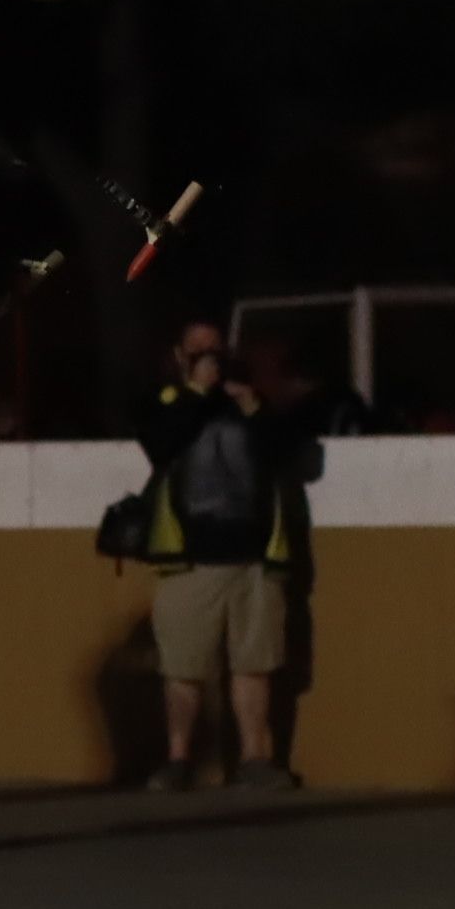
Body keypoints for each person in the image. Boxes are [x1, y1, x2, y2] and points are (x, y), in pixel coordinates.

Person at [136, 321, 318, 792]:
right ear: (179, 357)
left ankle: (257, 759)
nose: (208, 359)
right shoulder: (170, 403)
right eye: (197, 352)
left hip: (255, 560)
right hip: (188, 561)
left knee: (253, 664)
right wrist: (198, 391)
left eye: (214, 351)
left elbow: (291, 454)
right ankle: (178, 759)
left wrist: (251, 402)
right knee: (182, 669)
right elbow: (159, 445)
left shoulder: (251, 404)